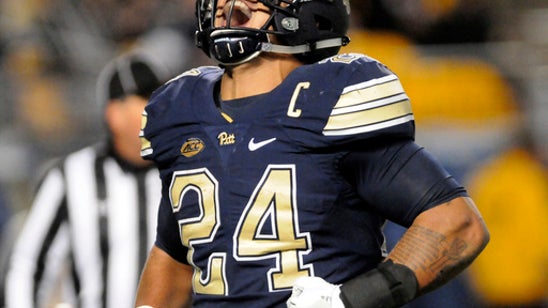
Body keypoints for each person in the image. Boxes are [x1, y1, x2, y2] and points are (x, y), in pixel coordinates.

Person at [135, 0, 490, 307]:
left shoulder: (328, 99)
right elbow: (175, 254)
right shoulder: (183, 112)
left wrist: (349, 300)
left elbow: (458, 223)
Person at [4, 53, 168, 308]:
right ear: (114, 113)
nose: (159, 109)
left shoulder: (186, 173)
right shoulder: (70, 177)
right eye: (146, 99)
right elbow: (28, 265)